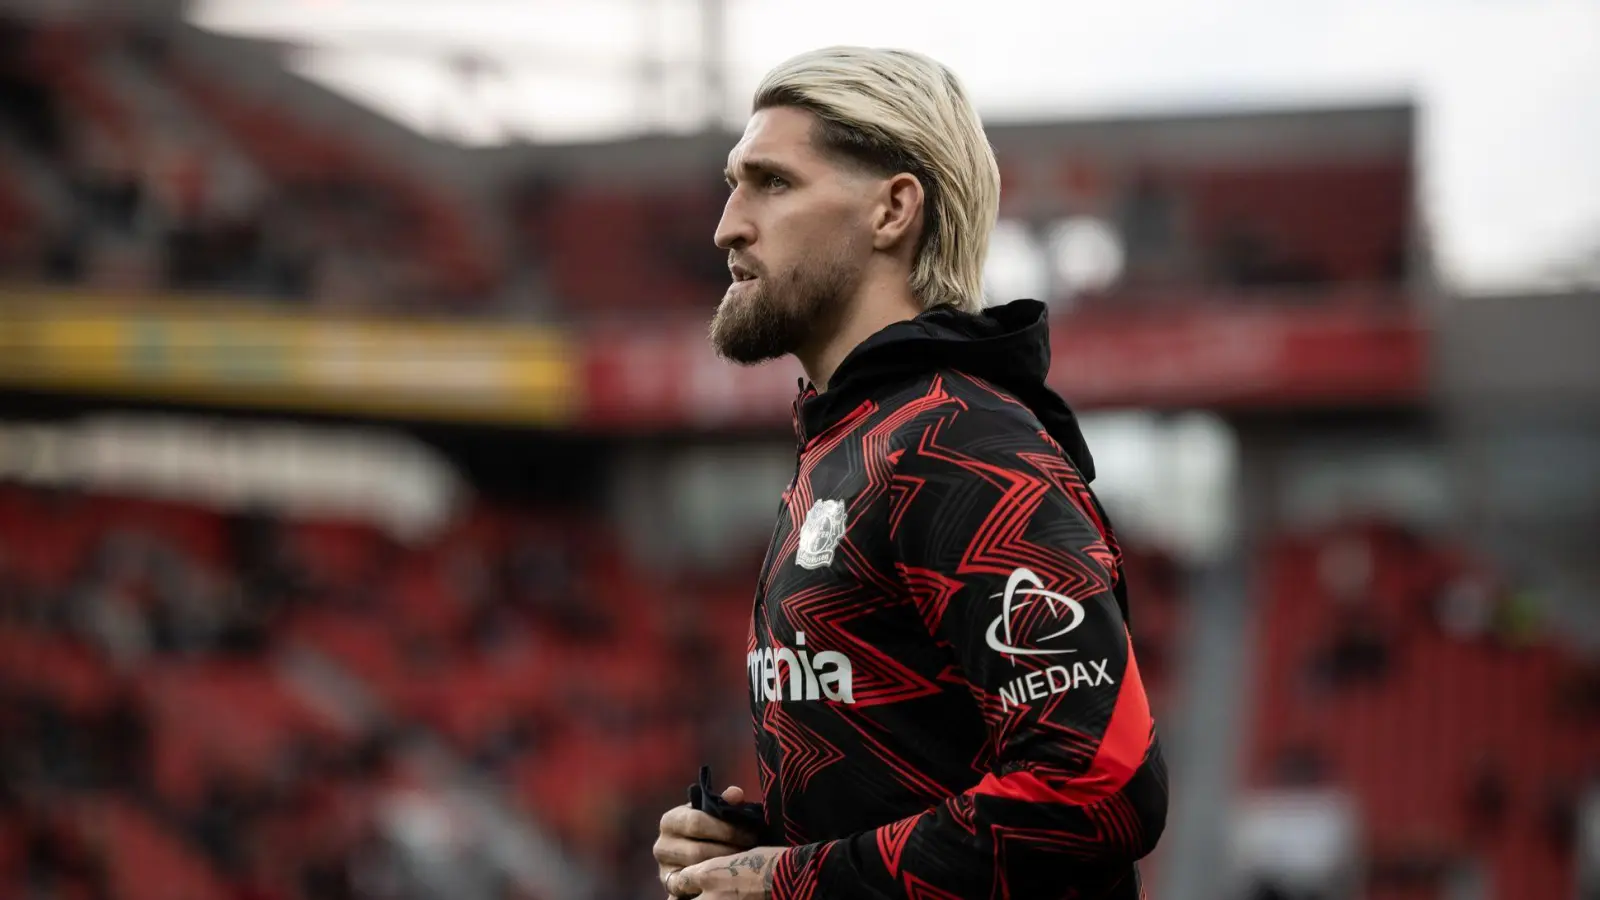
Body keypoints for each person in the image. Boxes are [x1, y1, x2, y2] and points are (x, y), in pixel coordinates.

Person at [654, 46, 1168, 900]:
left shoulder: (962, 442)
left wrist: (793, 880)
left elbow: (1098, 786)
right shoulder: (844, 443)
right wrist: (755, 847)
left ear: (893, 210)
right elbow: (922, 785)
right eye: (733, 184)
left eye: (772, 183)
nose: (728, 225)